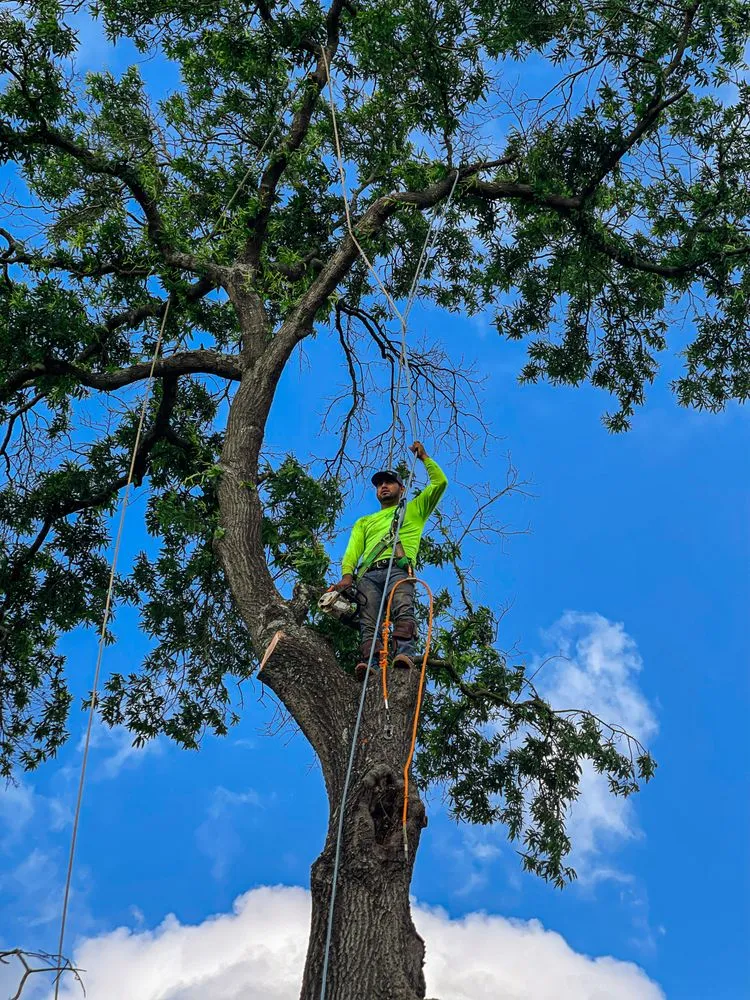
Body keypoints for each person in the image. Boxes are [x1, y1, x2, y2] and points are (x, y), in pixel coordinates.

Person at [330, 441, 448, 681]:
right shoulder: (364, 522)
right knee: (368, 622)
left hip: (398, 569)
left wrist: (424, 457)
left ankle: (404, 654)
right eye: (379, 484)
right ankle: (370, 663)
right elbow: (353, 551)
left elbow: (440, 484)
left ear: (401, 489)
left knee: (403, 607)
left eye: (389, 482)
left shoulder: (414, 510)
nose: (383, 486)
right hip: (368, 575)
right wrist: (347, 576)